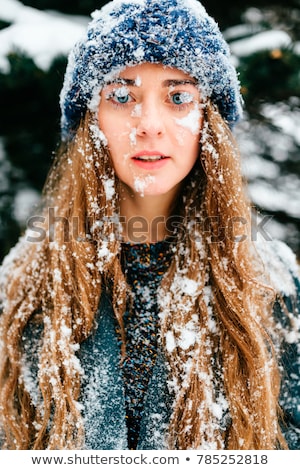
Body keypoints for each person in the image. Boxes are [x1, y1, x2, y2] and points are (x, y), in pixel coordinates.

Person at [0, 0, 299, 451]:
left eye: (178, 97)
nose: (151, 125)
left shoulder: (269, 281)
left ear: (207, 120)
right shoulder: (22, 284)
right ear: (90, 118)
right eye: (122, 96)